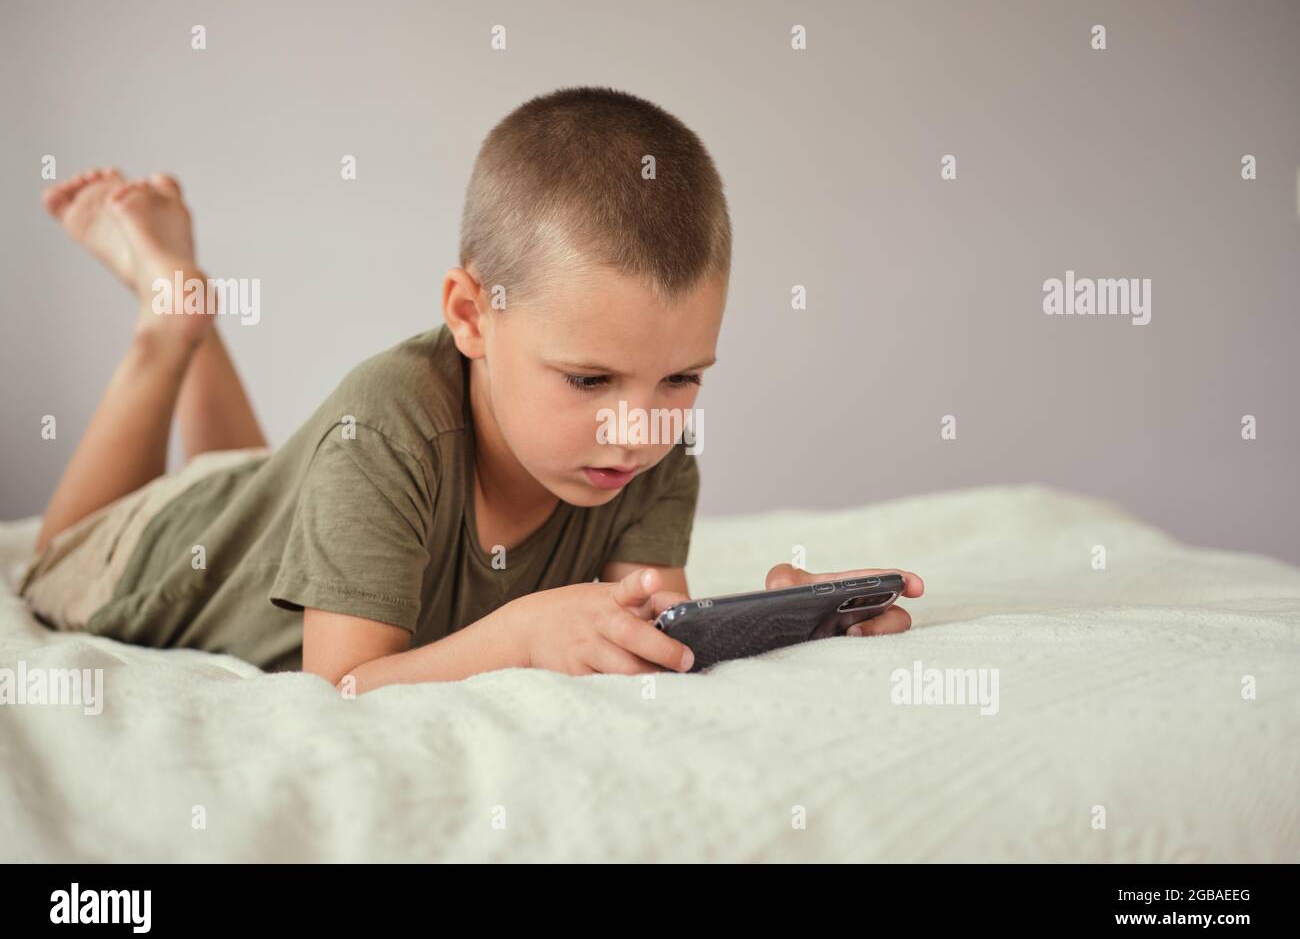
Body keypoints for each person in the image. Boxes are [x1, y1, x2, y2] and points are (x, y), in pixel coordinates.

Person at [19, 86, 923, 692]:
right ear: (471, 314)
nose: (637, 428)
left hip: (272, 502)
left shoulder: (651, 448)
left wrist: (789, 616)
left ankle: (193, 315)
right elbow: (345, 684)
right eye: (587, 378)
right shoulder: (384, 426)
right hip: (166, 555)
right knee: (60, 559)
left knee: (253, 478)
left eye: (682, 377)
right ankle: (170, 326)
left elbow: (652, 633)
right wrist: (521, 635)